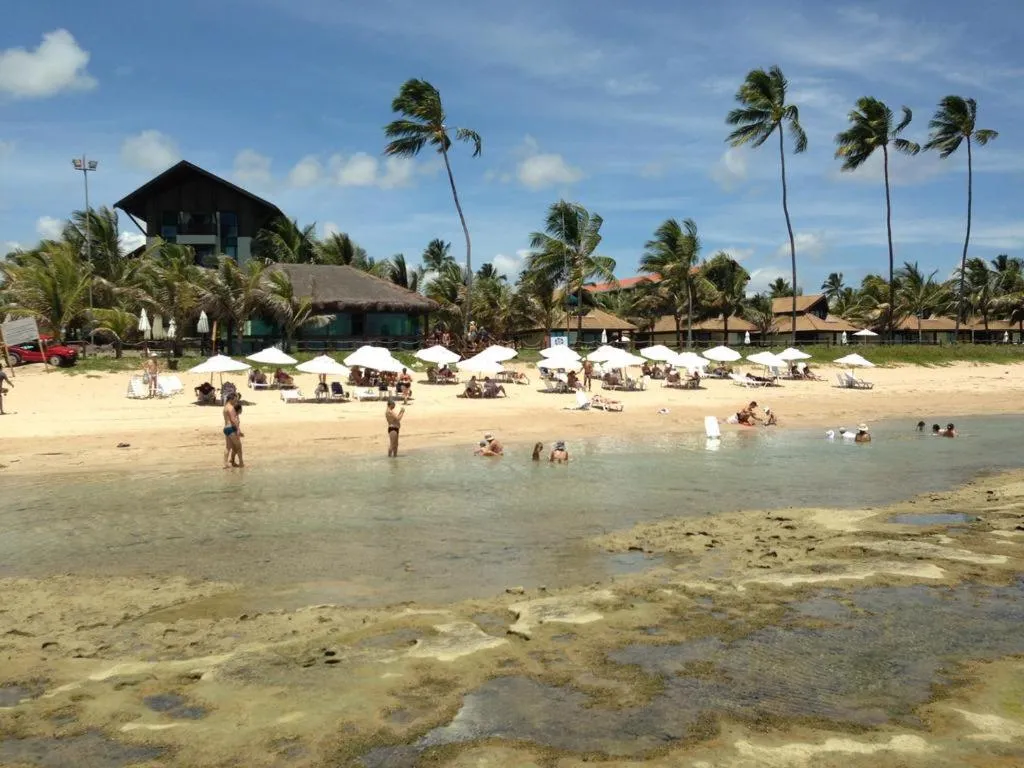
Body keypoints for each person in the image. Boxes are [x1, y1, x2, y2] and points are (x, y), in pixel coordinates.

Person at [222, 392, 244, 468]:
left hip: (226, 428)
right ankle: (241, 463)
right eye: (235, 399)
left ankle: (225, 463)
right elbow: (233, 419)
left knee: (228, 447)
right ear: (231, 399)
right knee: (239, 446)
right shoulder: (231, 407)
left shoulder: (225, 407)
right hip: (231, 428)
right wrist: (238, 430)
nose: (236, 401)